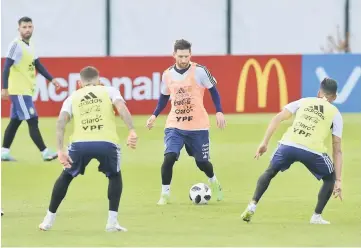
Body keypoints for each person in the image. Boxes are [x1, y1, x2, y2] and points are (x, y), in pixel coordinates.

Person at [39, 66, 138, 232]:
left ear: (79, 83)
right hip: (106, 143)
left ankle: (48, 220)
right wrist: (131, 130)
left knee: (66, 176)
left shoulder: (72, 97)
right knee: (115, 176)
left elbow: (61, 123)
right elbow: (121, 108)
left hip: (80, 144)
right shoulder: (109, 90)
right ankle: (112, 222)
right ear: (99, 81)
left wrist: (60, 149)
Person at [240, 78, 343, 224]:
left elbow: (278, 118)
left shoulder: (303, 101)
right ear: (335, 97)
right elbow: (337, 148)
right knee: (329, 179)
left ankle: (252, 205)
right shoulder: (335, 113)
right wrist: (338, 180)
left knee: (270, 172)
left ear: (318, 92)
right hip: (313, 150)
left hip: (288, 144)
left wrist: (265, 142)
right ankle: (316, 217)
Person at [146, 39, 226, 205]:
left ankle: (214, 182)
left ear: (190, 54)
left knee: (202, 162)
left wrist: (219, 111)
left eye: (186, 56)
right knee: (169, 157)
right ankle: (165, 194)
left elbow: (214, 91)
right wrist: (154, 115)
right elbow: (164, 96)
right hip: (175, 125)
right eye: (180, 56)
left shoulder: (200, 71)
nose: (183, 60)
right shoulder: (167, 74)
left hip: (198, 126)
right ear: (174, 54)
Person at [1, 16, 59, 161]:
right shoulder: (16, 45)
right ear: (19, 29)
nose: (27, 29)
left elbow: (38, 64)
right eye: (24, 27)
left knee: (15, 121)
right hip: (19, 91)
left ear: (33, 28)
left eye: (29, 27)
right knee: (32, 119)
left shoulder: (30, 45)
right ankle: (45, 152)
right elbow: (6, 67)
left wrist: (51, 79)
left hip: (25, 91)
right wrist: (4, 88)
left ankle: (3, 152)